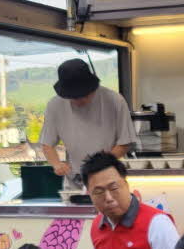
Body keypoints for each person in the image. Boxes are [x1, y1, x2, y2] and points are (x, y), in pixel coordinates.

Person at [39, 59, 135, 187]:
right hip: (75, 179)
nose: (80, 100)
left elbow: (125, 142)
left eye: (85, 95)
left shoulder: (115, 100)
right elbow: (47, 144)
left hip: (108, 176)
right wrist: (57, 164)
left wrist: (99, 165)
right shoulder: (55, 105)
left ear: (93, 87)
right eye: (74, 97)